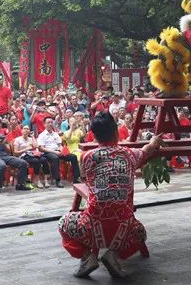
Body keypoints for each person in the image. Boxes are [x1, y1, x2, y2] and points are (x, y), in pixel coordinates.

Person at [58, 112, 164, 278]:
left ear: (94, 136)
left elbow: (85, 179)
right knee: (140, 233)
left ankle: (87, 257)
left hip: (91, 227)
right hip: (124, 229)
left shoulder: (86, 157)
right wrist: (154, 142)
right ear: (116, 132)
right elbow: (147, 150)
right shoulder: (129, 154)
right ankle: (114, 255)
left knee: (63, 223)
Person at [0, 119, 30, 194]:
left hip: (5, 156)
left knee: (23, 163)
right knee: (2, 165)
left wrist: (4, 144)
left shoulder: (3, 137)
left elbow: (9, 151)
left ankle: (20, 184)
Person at [38, 116, 81, 187]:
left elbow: (59, 145)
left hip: (57, 151)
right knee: (55, 158)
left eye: (51, 122)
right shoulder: (42, 135)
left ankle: (76, 178)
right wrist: (54, 152)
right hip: (47, 152)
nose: (50, 124)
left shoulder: (55, 134)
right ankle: (57, 180)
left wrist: (61, 150)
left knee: (73, 156)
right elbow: (41, 148)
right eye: (48, 122)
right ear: (44, 124)